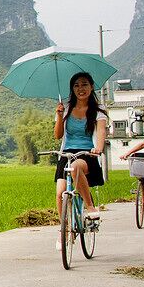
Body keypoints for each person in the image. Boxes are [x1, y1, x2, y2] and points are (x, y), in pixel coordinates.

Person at [53, 72, 108, 243]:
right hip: (66, 153)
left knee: (76, 167)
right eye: (76, 85)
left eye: (84, 84)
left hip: (86, 154)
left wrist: (98, 148)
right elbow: (57, 135)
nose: (80, 88)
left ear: (91, 87)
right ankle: (65, 229)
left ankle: (90, 207)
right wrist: (60, 116)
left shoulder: (98, 113)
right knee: (61, 193)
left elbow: (100, 133)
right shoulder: (66, 109)